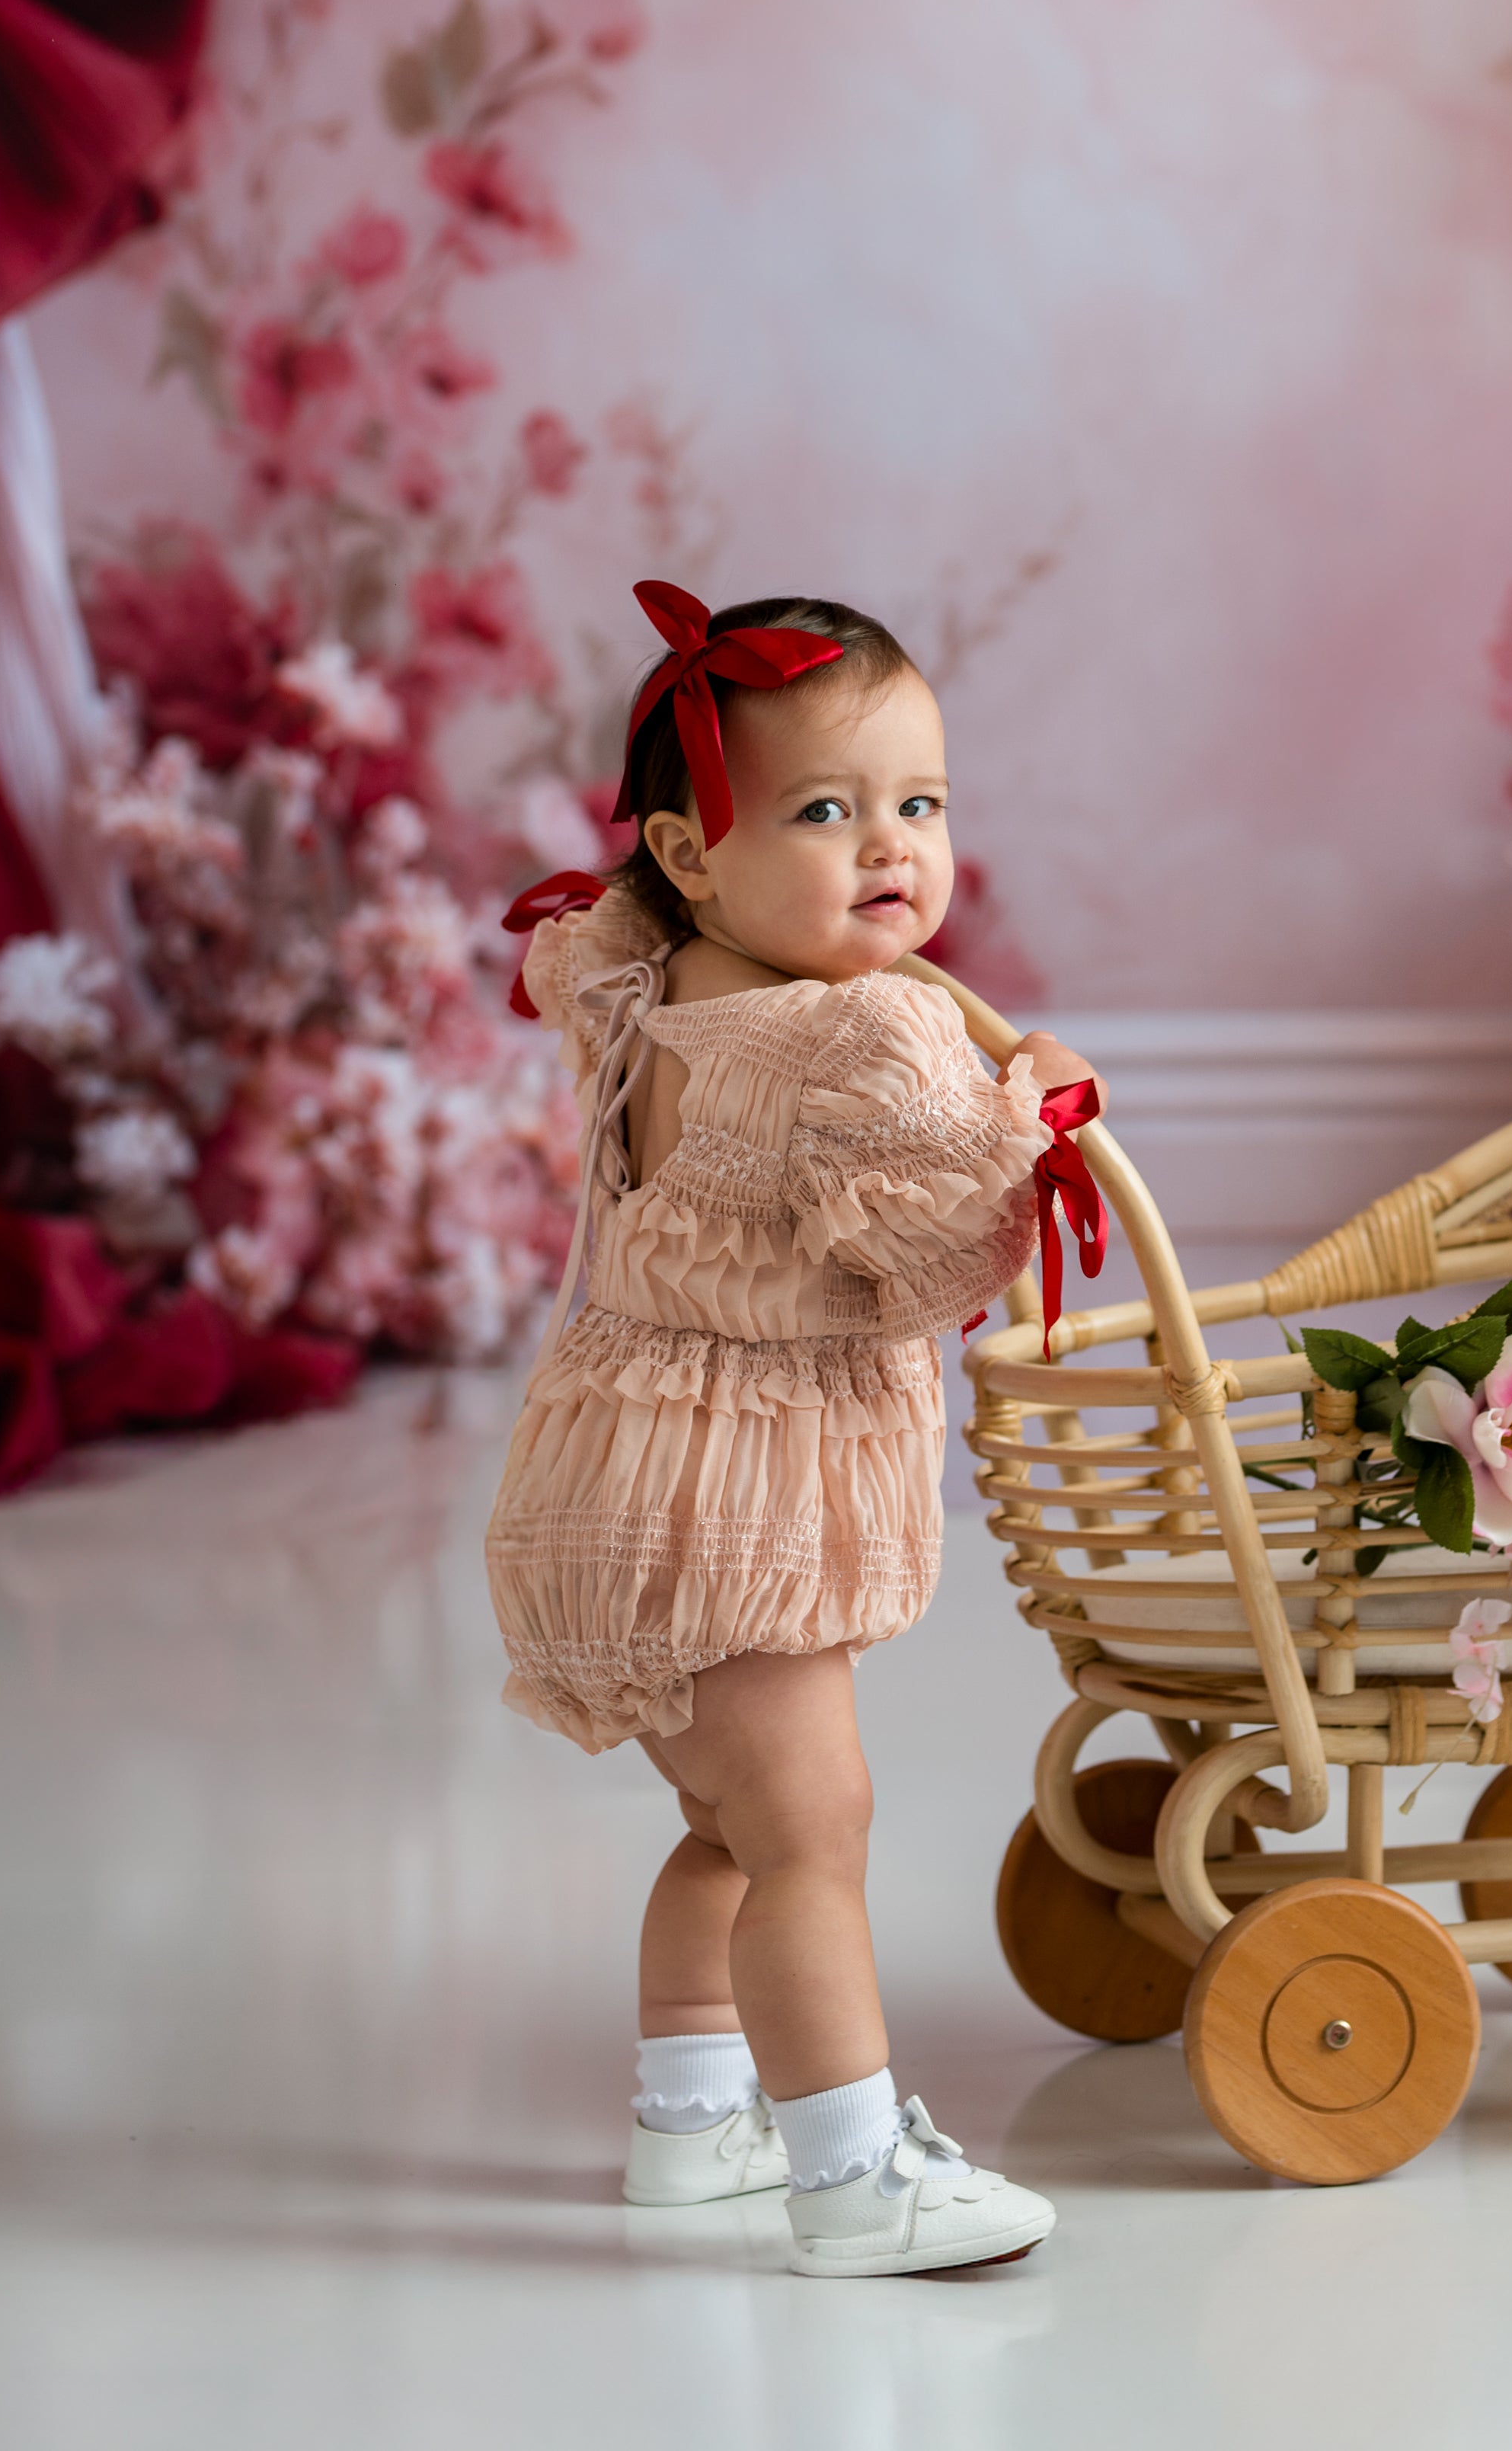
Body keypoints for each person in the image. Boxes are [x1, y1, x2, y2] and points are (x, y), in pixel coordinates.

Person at [487, 584, 1093, 2277]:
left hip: (614, 1468)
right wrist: (1030, 1107)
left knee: (730, 1827)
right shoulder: (859, 1032)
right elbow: (928, 1239)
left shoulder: (649, 976)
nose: (889, 845)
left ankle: (690, 2121)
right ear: (690, 850)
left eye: (921, 802)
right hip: (724, 1499)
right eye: (824, 811)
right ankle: (850, 2168)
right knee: (815, 1829)